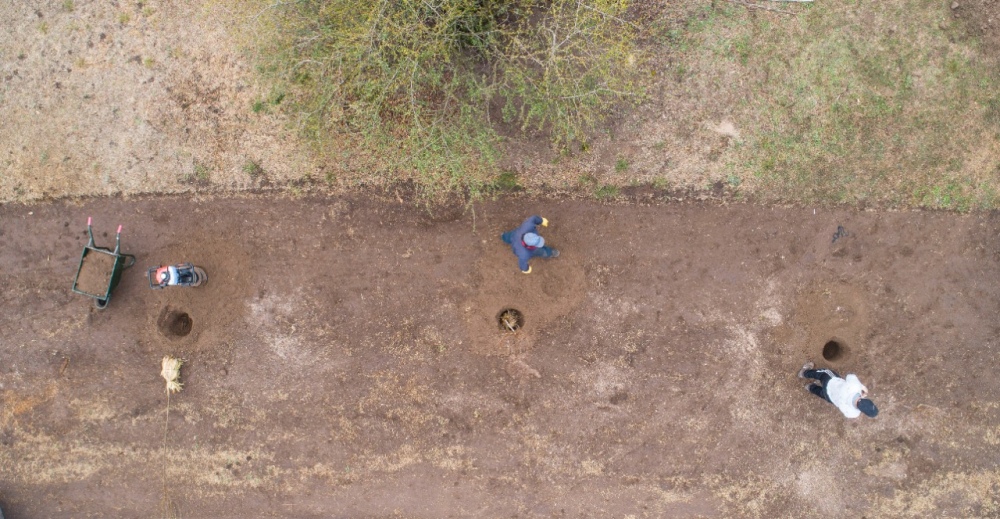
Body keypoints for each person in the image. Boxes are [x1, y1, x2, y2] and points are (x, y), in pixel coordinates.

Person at [799, 362, 878, 418]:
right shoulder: (853, 414)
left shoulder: (854, 387)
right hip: (831, 397)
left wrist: (861, 387)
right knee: (821, 392)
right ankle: (809, 387)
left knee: (825, 373)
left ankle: (804, 373)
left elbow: (850, 376)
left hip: (830, 381)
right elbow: (856, 402)